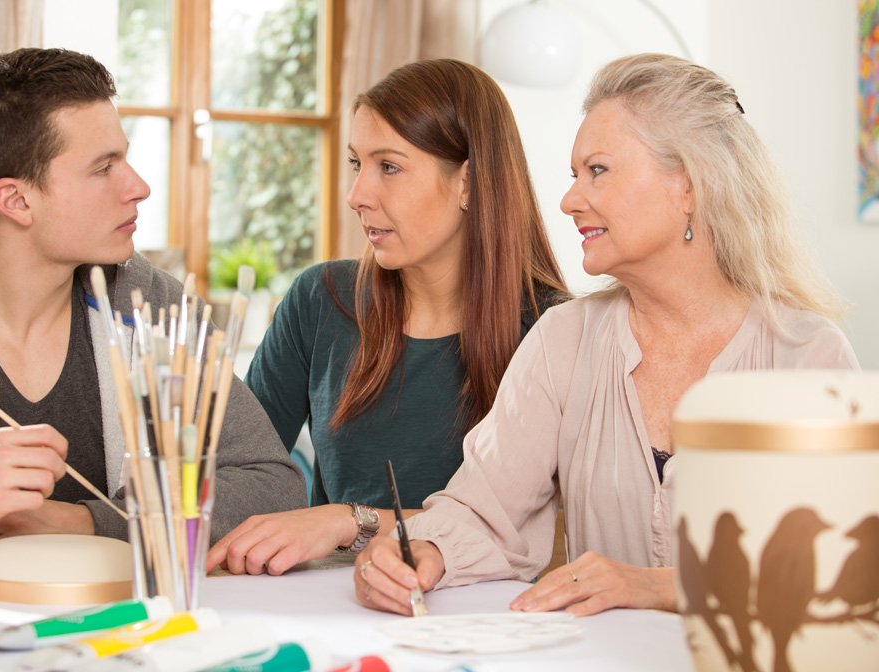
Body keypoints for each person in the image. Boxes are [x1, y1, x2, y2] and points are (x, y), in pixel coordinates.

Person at [353, 53, 860, 617]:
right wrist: (427, 552)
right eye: (574, 176)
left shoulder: (807, 356)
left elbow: (838, 570)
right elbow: (485, 508)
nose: (570, 200)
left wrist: (659, 587)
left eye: (597, 170)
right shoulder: (563, 339)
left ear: (688, 184)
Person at [0, 47, 306, 541]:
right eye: (103, 168)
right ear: (16, 200)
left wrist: (86, 522)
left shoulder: (158, 310)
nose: (139, 187)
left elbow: (270, 485)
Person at [205, 59, 567, 575]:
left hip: (487, 624)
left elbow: (510, 530)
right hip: (334, 610)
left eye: (389, 167)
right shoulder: (320, 300)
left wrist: (348, 521)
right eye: (357, 164)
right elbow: (241, 470)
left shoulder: (555, 333)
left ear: (469, 181)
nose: (357, 196)